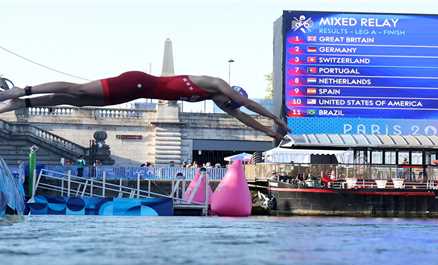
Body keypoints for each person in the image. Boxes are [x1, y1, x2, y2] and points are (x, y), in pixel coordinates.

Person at [0, 71, 290, 139]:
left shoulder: (216, 99)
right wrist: (276, 119)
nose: (229, 104)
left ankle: (10, 106)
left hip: (130, 95)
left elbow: (244, 118)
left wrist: (270, 134)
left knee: (70, 100)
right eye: (230, 100)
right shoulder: (216, 84)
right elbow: (246, 104)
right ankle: (21, 90)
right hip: (135, 81)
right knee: (76, 89)